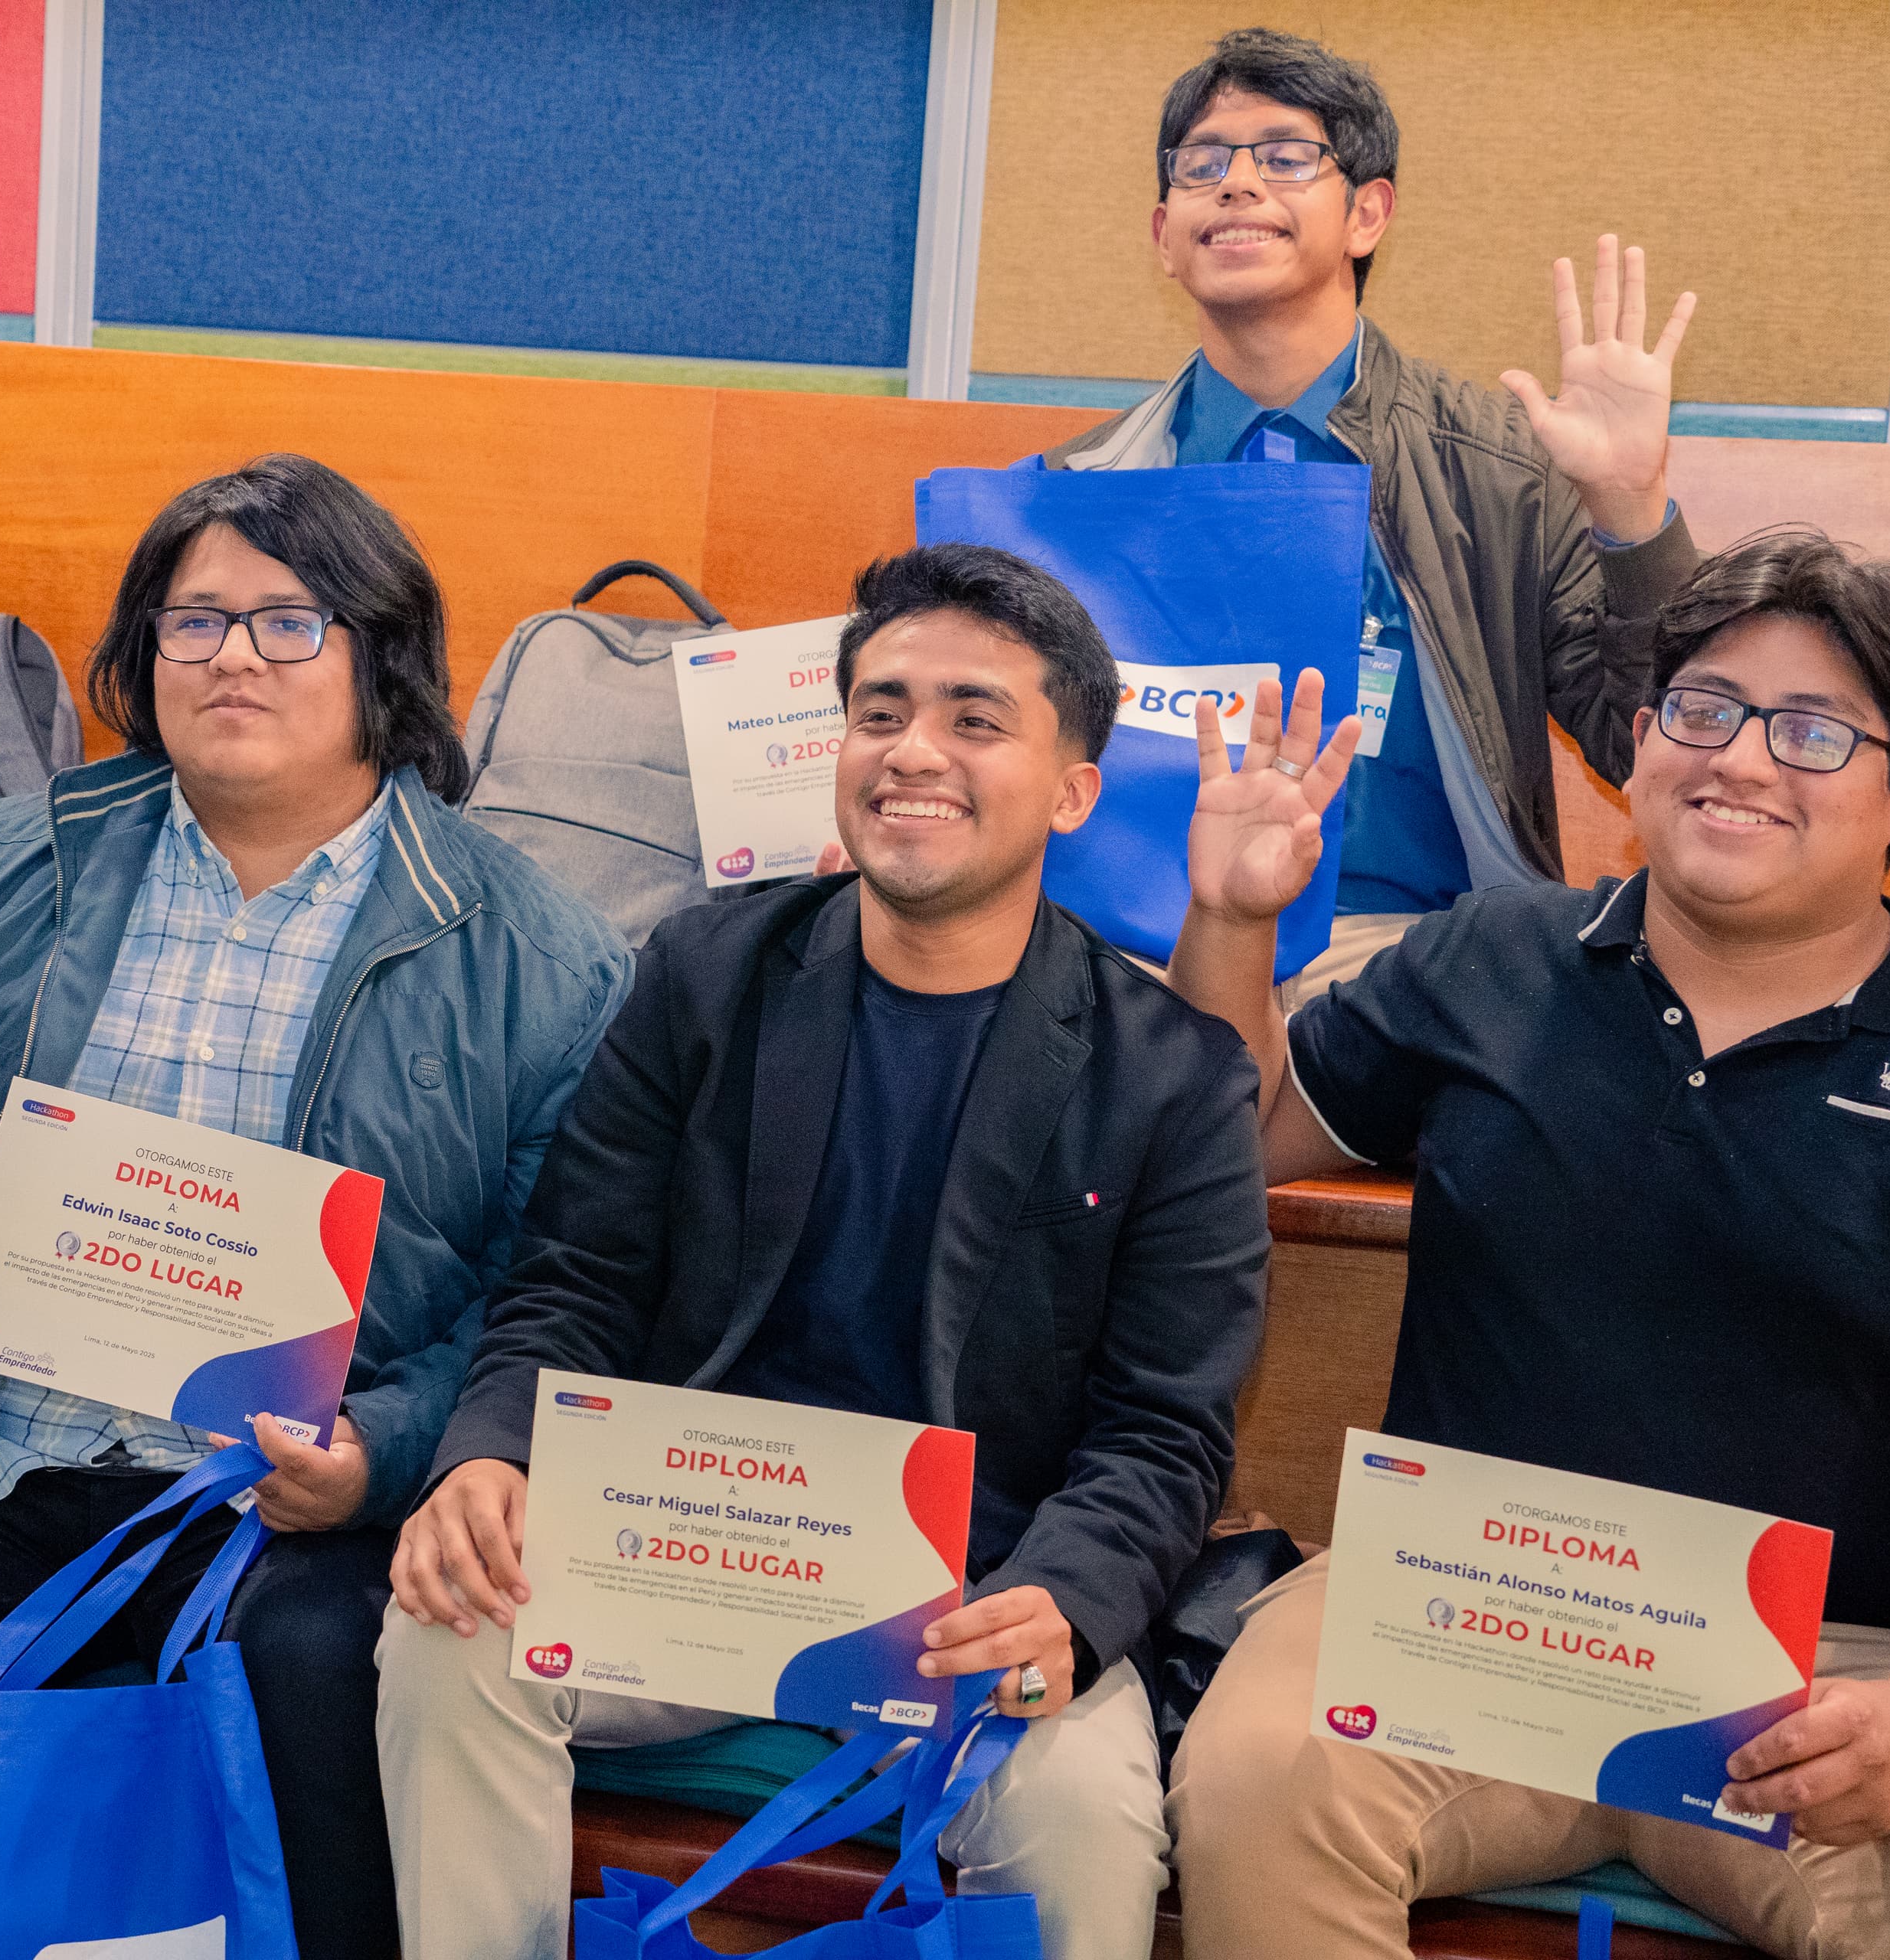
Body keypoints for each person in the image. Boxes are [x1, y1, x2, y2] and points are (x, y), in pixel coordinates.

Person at [0, 453, 632, 1960]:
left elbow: (553, 1290)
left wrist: (382, 1451)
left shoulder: (541, 954)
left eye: (288, 620)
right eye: (192, 621)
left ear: (383, 655)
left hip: (279, 1501)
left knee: (326, 1688)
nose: (231, 658)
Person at [1159, 529, 1890, 1957]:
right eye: (1704, 711)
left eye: (1813, 732)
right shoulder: (1490, 957)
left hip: (1838, 1665)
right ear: (1642, 742)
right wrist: (1230, 919)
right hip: (1462, 1609)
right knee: (1256, 1782)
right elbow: (1225, 1146)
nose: (1742, 761)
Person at [379, 543, 1273, 1960]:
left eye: (975, 720)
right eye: (880, 712)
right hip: (687, 1543)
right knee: (447, 1632)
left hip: (977, 1591)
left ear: (1072, 791)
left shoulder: (1171, 1077)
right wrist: (494, 1452)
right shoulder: (703, 975)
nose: (913, 751)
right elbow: (576, 1280)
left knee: (1090, 1818)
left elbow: (1164, 1429)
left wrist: (1066, 1600)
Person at [1033, 26, 1704, 997]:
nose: (1237, 184)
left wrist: (1631, 506)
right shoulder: (1077, 491)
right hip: (1138, 949)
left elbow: (1643, 741)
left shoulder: (1501, 469)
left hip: (1413, 961)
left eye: (1285, 157)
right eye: (1203, 164)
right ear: (1164, 236)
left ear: (1367, 213)